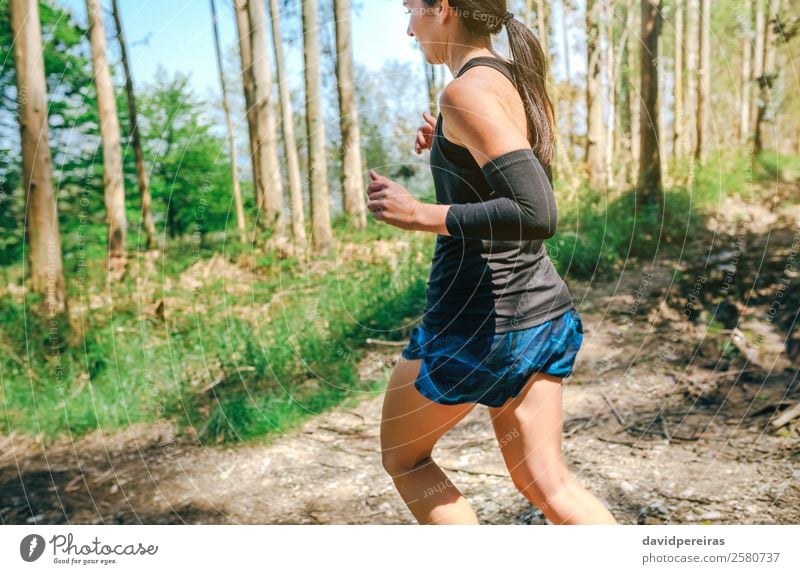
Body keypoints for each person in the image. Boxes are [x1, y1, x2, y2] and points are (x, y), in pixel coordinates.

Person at [367, 0, 618, 525]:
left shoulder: (465, 90)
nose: (409, 27)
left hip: (475, 323)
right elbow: (506, 172)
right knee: (549, 484)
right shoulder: (507, 77)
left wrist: (418, 213)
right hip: (537, 313)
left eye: (411, 10)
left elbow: (535, 209)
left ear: (444, 9)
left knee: (405, 458)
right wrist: (449, 148)